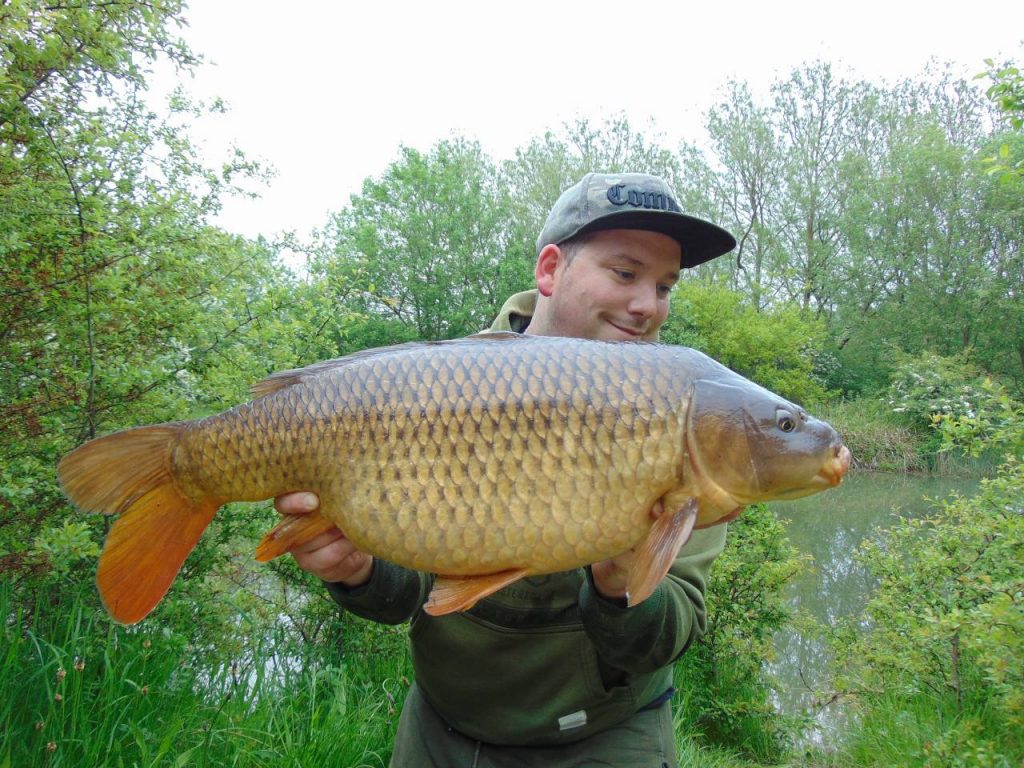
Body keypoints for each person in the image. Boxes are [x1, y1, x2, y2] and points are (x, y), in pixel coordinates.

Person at [276, 172, 737, 767]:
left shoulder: (684, 419)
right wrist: (357, 570)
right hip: (444, 727)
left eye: (665, 285)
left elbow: (669, 635)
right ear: (550, 270)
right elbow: (410, 595)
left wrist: (621, 583)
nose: (648, 304)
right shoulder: (446, 390)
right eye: (625, 273)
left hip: (607, 735)